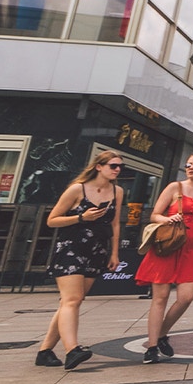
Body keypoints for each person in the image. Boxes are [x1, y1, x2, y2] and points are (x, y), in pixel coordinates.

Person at [36, 150, 124, 370]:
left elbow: (115, 224)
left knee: (71, 301)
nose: (117, 170)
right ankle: (72, 350)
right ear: (99, 167)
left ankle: (45, 350)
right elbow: (52, 220)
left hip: (96, 251)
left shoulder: (118, 191)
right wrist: (81, 217)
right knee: (72, 300)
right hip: (71, 248)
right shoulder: (77, 189)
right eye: (113, 165)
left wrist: (114, 253)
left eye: (120, 167)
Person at [136, 150, 193, 363]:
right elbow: (154, 214)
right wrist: (167, 219)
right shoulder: (175, 187)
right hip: (168, 245)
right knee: (160, 298)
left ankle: (162, 333)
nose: (191, 168)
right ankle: (152, 346)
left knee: (186, 297)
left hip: (191, 247)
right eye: (189, 164)